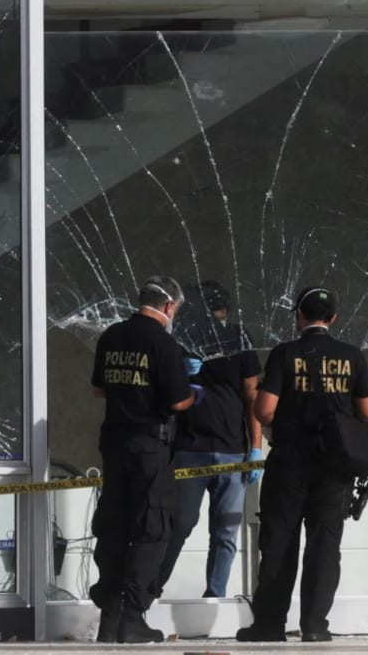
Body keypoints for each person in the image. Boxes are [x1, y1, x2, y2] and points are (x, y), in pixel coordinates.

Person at [237, 287, 368, 644]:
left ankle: (269, 625)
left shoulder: (286, 354)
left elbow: (264, 410)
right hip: (335, 466)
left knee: (279, 542)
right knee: (325, 545)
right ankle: (315, 625)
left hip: (290, 462)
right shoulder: (352, 356)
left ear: (299, 315)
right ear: (332, 319)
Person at [91, 276, 198, 644]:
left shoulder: (112, 336)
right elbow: (179, 401)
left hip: (115, 445)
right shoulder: (163, 344)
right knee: (151, 530)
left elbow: (99, 388)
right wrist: (194, 393)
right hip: (151, 448)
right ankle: (133, 617)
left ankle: (110, 617)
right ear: (169, 306)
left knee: (114, 527)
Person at [158, 281, 264, 599]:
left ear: (225, 311)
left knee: (226, 531)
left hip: (232, 450)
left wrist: (255, 447)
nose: (214, 316)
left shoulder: (239, 338)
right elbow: (164, 393)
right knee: (179, 525)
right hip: (191, 448)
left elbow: (252, 396)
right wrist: (182, 370)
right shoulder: (182, 341)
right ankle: (150, 590)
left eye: (216, 309)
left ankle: (214, 595)